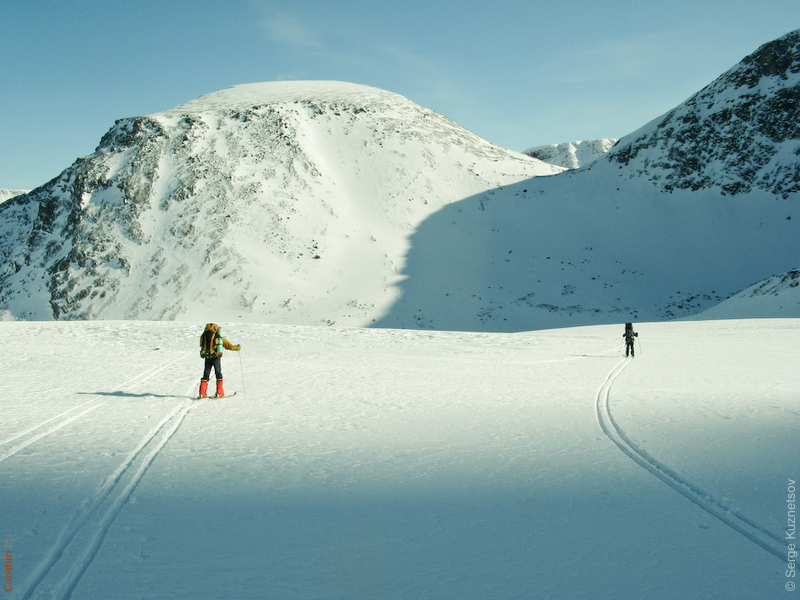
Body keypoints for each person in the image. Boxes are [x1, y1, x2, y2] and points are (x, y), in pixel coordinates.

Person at [199, 323, 241, 398]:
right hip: (215, 357)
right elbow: (229, 346)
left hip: (207, 356)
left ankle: (202, 393)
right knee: (218, 374)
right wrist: (237, 347)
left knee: (206, 374)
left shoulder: (203, 336)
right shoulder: (218, 337)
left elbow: (201, 346)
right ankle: (219, 392)